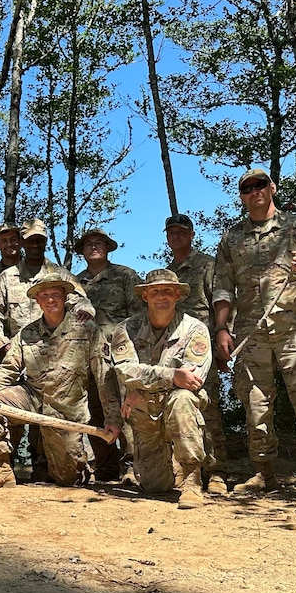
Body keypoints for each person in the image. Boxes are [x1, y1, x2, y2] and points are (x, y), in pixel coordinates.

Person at [211, 169, 296, 501]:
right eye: (247, 188)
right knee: (255, 403)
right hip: (250, 334)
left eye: (259, 185)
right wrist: (222, 329)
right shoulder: (231, 239)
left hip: (294, 331)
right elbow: (223, 287)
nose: (254, 191)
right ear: (242, 196)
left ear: (272, 188)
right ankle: (263, 473)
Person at [0, 277, 120, 493]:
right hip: (31, 397)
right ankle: (1, 468)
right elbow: (8, 370)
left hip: (65, 410)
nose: (50, 300)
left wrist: (113, 418)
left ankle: (80, 468)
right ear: (37, 302)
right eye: (44, 296)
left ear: (64, 297)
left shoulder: (87, 330)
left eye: (55, 294)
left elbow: (104, 377)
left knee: (67, 479)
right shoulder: (26, 333)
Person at [0, 219, 94, 480]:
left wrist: (83, 316)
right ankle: (1, 467)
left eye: (39, 240)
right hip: (18, 354)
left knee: (64, 470)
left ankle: (50, 468)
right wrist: (3, 344)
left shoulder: (61, 275)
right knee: (4, 408)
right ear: (22, 243)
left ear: (45, 242)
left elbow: (84, 304)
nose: (35, 244)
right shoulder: (5, 278)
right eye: (30, 240)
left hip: (60, 366)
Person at [108, 269, 210, 509]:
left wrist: (142, 388)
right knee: (155, 486)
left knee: (182, 398)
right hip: (145, 413)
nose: (161, 296)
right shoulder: (126, 329)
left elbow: (192, 379)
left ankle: (192, 481)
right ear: (145, 296)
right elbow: (124, 370)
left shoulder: (195, 329)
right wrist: (171, 375)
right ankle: (171, 465)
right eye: (154, 291)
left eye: (167, 291)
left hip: (176, 405)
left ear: (177, 295)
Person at [165, 213, 229, 494]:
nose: (176, 236)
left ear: (191, 235)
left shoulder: (206, 265)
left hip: (201, 347)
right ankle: (184, 469)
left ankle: (215, 471)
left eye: (181, 232)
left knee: (208, 406)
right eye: (171, 232)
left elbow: (220, 300)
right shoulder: (167, 274)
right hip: (171, 349)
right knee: (176, 406)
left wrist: (222, 334)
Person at [73, 228, 142, 484]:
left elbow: (138, 316)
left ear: (108, 247)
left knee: (125, 408)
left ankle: (132, 466)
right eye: (88, 243)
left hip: (119, 354)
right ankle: (105, 465)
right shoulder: (75, 283)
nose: (94, 247)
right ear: (81, 250)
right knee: (94, 410)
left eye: (99, 242)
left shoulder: (125, 276)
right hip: (86, 356)